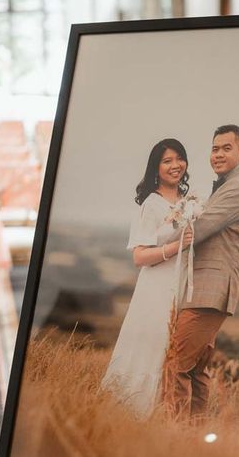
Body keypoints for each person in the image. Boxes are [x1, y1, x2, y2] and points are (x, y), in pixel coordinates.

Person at [164, 124, 239, 421]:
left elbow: (199, 229)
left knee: (175, 363)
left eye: (226, 148)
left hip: (209, 289)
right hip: (206, 289)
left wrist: (157, 236)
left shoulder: (237, 188)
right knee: (194, 369)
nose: (217, 154)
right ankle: (193, 433)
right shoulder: (233, 183)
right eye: (214, 148)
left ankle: (172, 434)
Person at [100, 138, 195, 419]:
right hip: (155, 290)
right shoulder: (150, 205)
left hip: (181, 286)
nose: (175, 165)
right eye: (167, 161)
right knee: (150, 349)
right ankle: (131, 412)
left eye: (179, 158)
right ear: (156, 167)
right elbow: (139, 257)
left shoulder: (188, 202)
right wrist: (174, 247)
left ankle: (162, 416)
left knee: (172, 353)